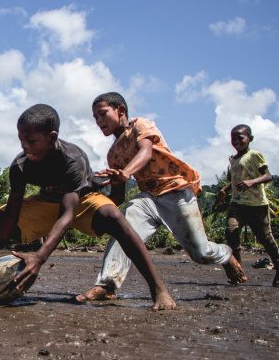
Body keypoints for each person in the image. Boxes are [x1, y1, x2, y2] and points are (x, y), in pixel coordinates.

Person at [0, 103, 176, 310]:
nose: (25, 146)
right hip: (46, 203)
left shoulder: (72, 159)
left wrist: (40, 257)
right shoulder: (20, 166)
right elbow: (11, 217)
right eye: (21, 139)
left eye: (31, 140)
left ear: (52, 137)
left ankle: (158, 290)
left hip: (81, 200)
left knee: (114, 216)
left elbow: (67, 214)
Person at [76, 92, 246, 303]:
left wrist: (126, 173)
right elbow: (117, 195)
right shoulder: (113, 155)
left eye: (102, 114)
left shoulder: (141, 126)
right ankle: (106, 285)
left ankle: (226, 254)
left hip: (175, 190)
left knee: (201, 253)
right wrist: (95, 209)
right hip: (148, 198)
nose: (98, 121)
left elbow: (145, 152)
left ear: (120, 110)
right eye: (95, 118)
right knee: (123, 227)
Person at [217, 124, 279, 286]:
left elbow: (268, 176)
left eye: (240, 138)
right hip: (237, 204)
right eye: (233, 139)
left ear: (250, 138)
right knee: (231, 231)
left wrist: (252, 182)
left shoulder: (255, 155)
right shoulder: (233, 159)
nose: (236, 141)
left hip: (257, 205)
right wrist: (225, 189)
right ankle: (238, 271)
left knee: (266, 238)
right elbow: (235, 180)